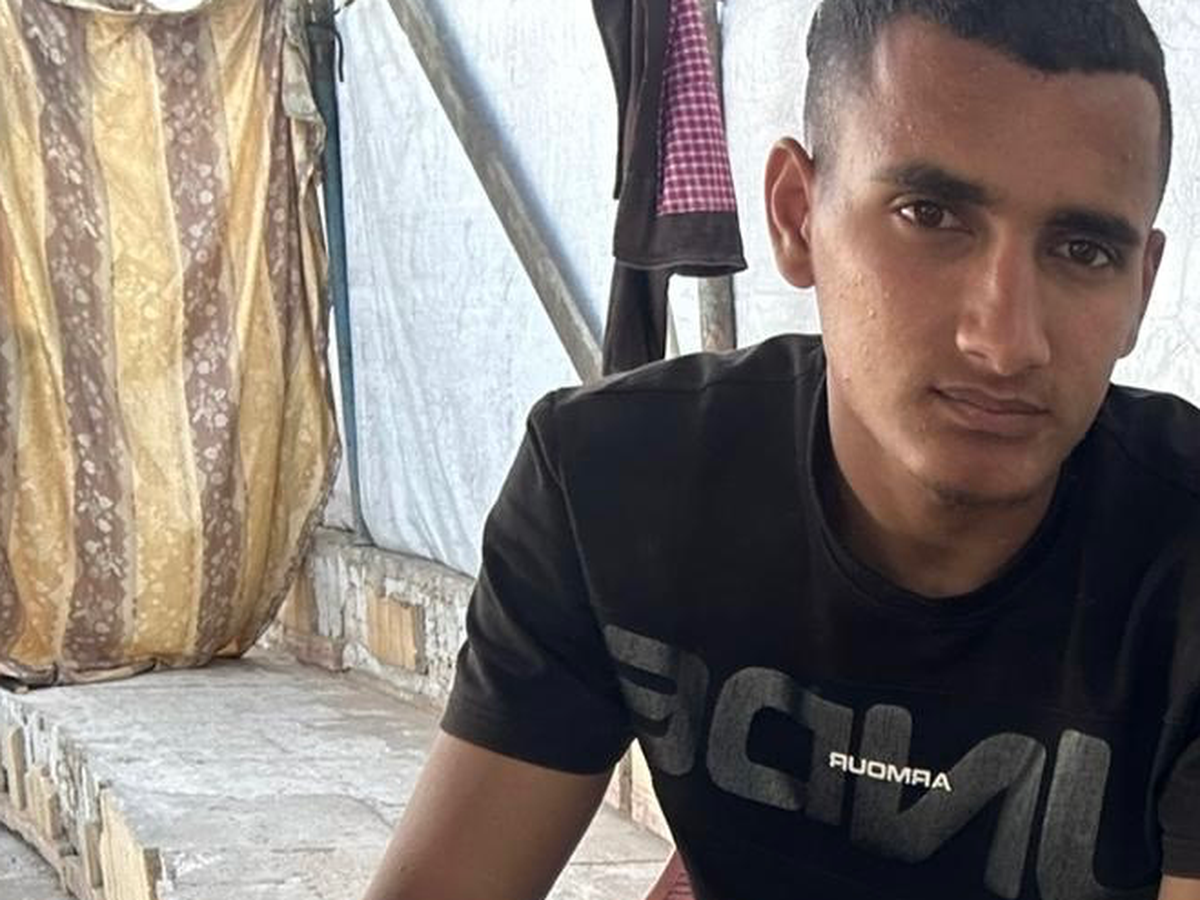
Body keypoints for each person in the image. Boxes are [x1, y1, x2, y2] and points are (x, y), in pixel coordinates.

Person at [362, 0, 1200, 897]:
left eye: (1083, 251)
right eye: (930, 215)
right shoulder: (613, 482)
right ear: (798, 216)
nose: (1005, 341)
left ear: (1141, 289)